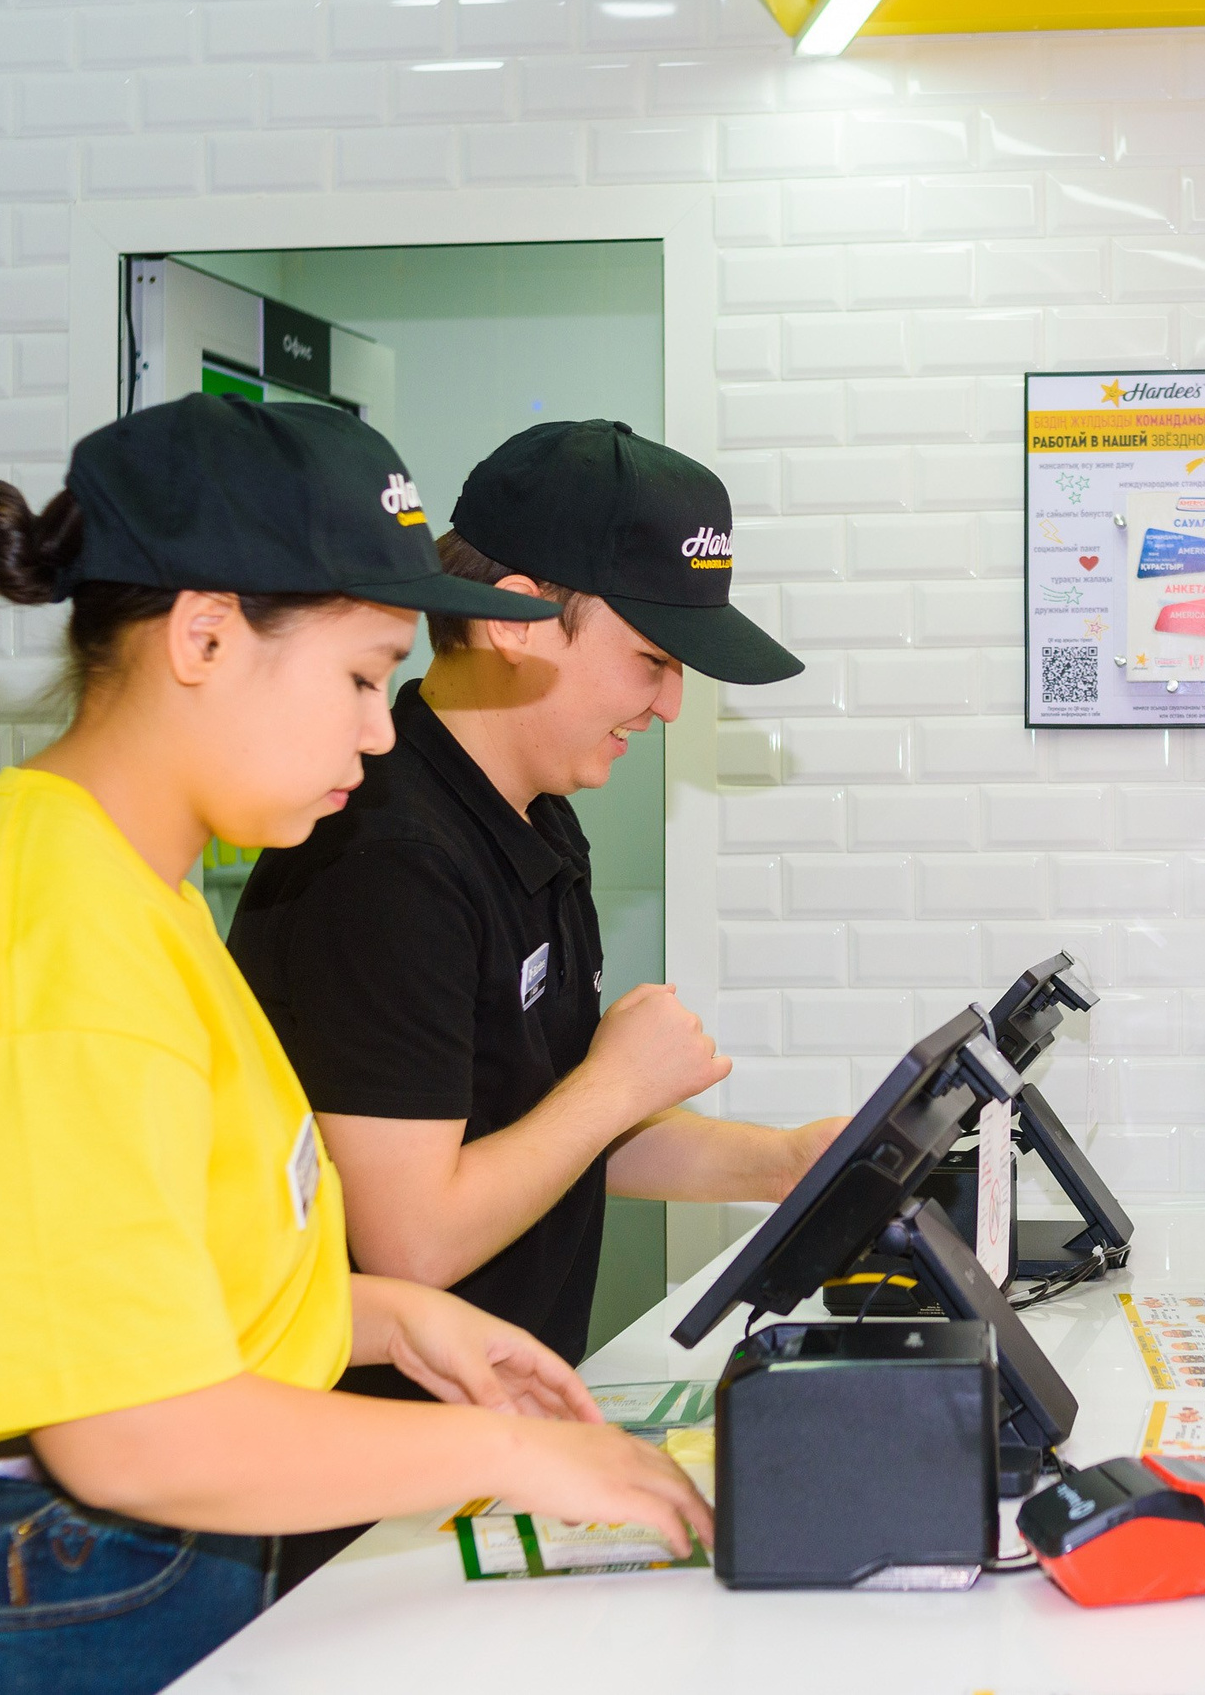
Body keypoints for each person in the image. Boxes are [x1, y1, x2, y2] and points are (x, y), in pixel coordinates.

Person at [0, 397, 710, 1695]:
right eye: (357, 677)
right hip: (4, 1581)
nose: (383, 732)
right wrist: (522, 1458)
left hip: (85, 1566)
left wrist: (391, 1318)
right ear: (206, 634)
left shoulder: (127, 895)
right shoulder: (54, 937)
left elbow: (147, 1286)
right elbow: (131, 1428)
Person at [225, 420, 833, 1585]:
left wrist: (787, 1163)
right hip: (362, 1503)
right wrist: (615, 1081)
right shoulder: (385, 858)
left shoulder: (533, 819)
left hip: (483, 1455)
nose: (667, 704)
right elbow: (411, 1237)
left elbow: (541, 1129)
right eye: (653, 658)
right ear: (513, 619)